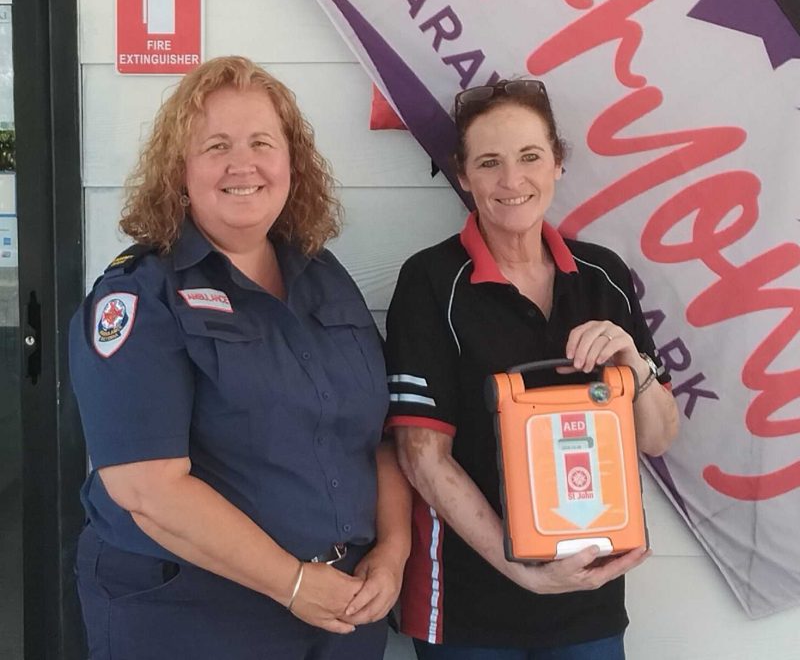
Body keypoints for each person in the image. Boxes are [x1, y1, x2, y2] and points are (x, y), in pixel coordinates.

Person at [69, 55, 410, 660]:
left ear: (290, 163)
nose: (242, 164)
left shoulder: (322, 274)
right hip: (194, 616)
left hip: (341, 607)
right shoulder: (140, 296)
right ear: (179, 170)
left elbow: (376, 434)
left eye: (261, 142)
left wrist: (393, 552)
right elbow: (148, 488)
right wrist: (293, 582)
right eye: (216, 146)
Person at [384, 79, 680, 659]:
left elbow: (659, 436)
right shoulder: (431, 282)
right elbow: (421, 459)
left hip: (590, 592)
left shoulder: (603, 275)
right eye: (489, 162)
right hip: (473, 603)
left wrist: (631, 361)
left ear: (557, 164)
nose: (512, 181)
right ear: (464, 176)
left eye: (529, 157)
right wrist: (526, 571)